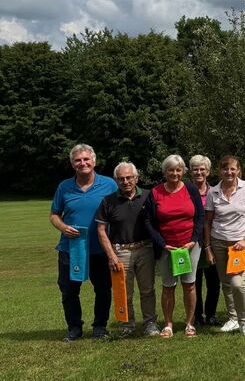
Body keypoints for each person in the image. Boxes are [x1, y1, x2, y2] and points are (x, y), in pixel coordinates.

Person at [50, 144, 117, 341]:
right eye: (78, 160)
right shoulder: (64, 187)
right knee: (69, 290)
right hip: (71, 248)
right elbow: (54, 214)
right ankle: (74, 328)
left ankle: (100, 327)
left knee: (103, 289)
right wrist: (63, 227)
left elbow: (119, 211)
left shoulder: (109, 184)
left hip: (100, 248)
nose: (83, 163)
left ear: (94, 161)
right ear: (72, 164)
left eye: (86, 159)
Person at [96, 162, 159, 337]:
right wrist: (111, 255)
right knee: (124, 291)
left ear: (136, 178)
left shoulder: (148, 196)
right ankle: (127, 326)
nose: (125, 181)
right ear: (116, 180)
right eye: (121, 179)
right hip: (120, 251)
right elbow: (101, 229)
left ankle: (150, 324)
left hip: (145, 248)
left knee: (147, 290)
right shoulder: (108, 200)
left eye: (129, 177)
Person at [144, 155, 204, 338]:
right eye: (171, 170)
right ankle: (168, 324)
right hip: (166, 248)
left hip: (190, 246)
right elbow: (148, 221)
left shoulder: (191, 189)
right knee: (168, 286)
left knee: (189, 285)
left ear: (183, 171)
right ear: (164, 172)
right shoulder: (155, 192)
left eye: (178, 169)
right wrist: (162, 244)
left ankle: (189, 323)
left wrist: (193, 240)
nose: (175, 173)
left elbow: (200, 216)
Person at [204, 155, 245, 338]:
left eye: (232, 169)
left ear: (238, 170)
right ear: (220, 171)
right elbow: (208, 222)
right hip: (218, 242)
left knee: (237, 283)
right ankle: (233, 318)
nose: (229, 172)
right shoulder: (213, 192)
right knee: (226, 283)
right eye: (225, 169)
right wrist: (208, 248)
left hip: (240, 244)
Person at [189, 155, 220, 327]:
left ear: (208, 171)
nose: (199, 172)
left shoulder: (215, 192)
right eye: (195, 169)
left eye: (202, 169)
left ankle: (211, 314)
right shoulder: (185, 191)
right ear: (191, 171)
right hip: (192, 242)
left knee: (213, 281)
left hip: (212, 242)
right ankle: (197, 315)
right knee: (194, 281)